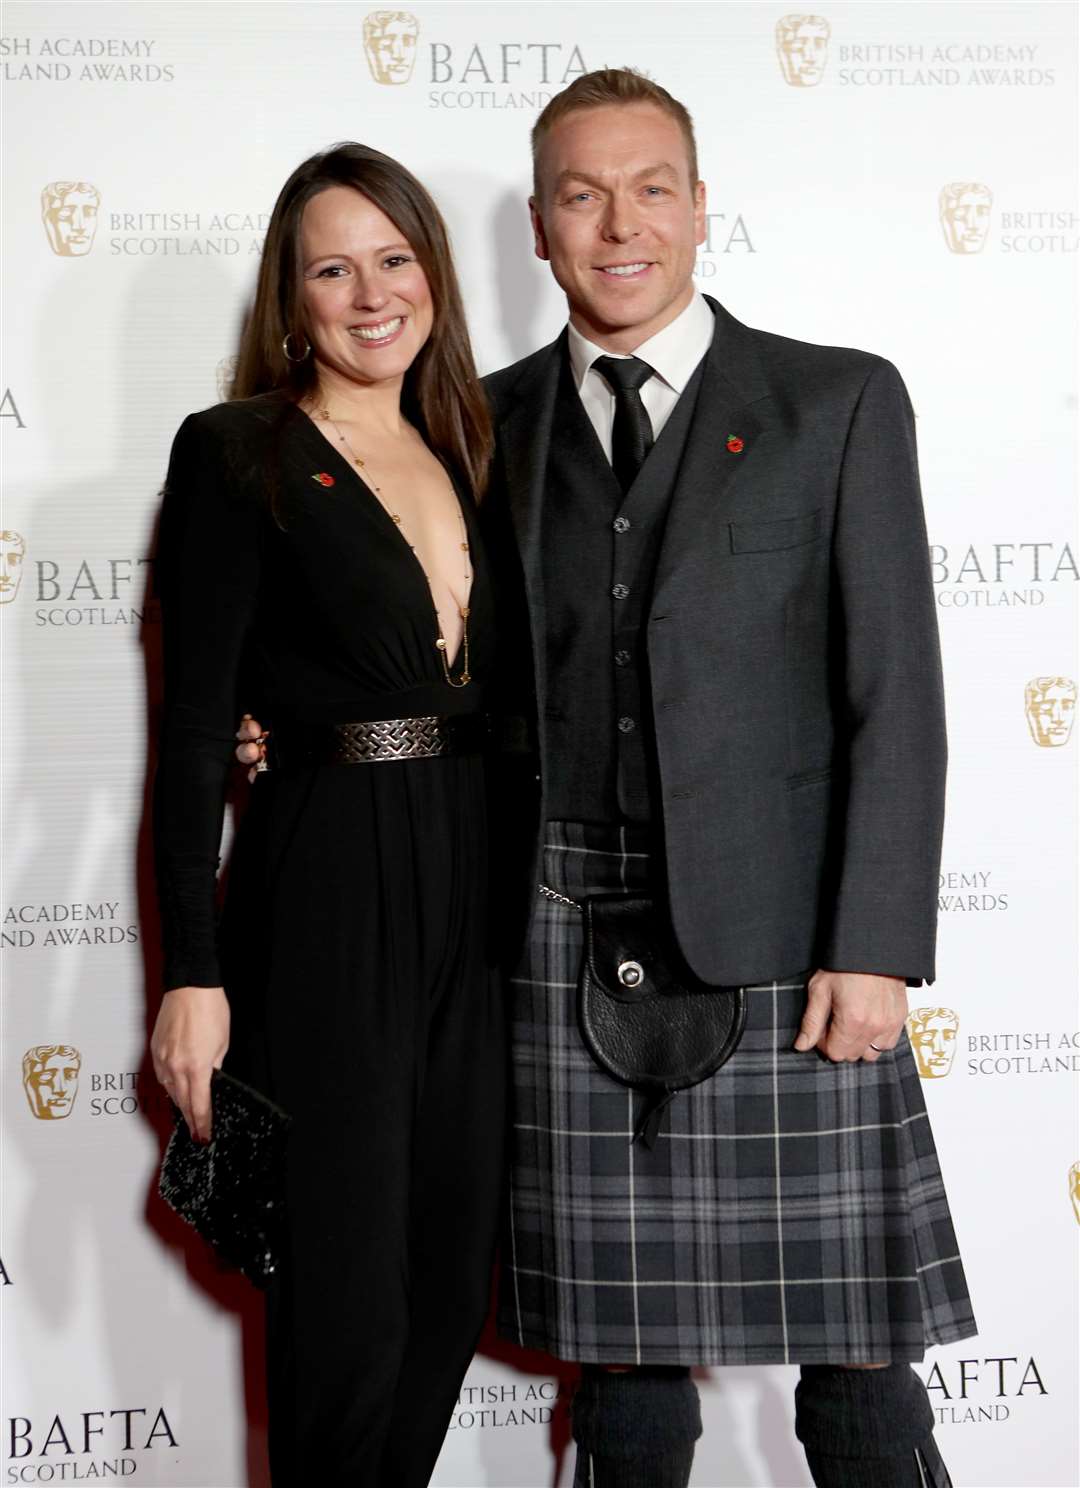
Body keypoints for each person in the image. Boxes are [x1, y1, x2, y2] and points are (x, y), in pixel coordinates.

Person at [239, 69, 977, 1488]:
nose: (617, 223)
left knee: (864, 1371)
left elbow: (899, 696)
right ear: (538, 226)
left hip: (784, 954)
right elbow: (406, 636)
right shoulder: (478, 425)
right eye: (581, 194)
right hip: (558, 936)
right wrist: (274, 725)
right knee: (626, 1374)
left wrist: (875, 946)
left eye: (650, 189)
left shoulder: (836, 403)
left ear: (703, 211)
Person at [150, 141, 505, 1487]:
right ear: (289, 298)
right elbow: (193, 736)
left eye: (395, 259)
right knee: (344, 1305)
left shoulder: (479, 444)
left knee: (441, 1282)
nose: (371, 296)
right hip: (327, 897)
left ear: (434, 271)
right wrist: (192, 972)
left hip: (478, 906)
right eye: (332, 269)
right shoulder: (239, 450)